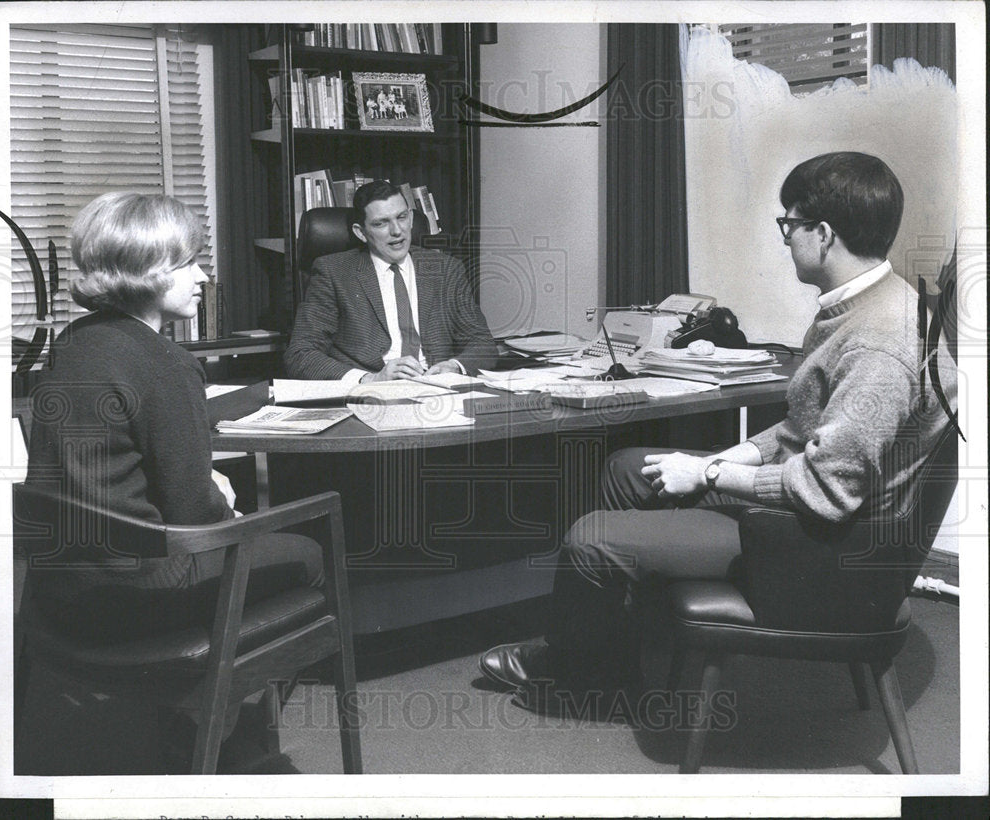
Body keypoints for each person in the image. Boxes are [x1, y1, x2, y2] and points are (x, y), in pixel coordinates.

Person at [478, 152, 958, 706]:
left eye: (790, 224)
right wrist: (738, 456)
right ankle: (606, 650)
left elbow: (827, 491)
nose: (784, 240)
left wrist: (709, 470)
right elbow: (809, 428)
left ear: (823, 234)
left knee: (590, 537)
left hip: (819, 547)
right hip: (813, 519)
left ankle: (582, 677)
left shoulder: (879, 342)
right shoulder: (873, 303)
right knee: (626, 469)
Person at [25, 192, 324, 641]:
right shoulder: (165, 361)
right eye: (188, 263)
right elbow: (196, 515)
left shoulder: (75, 341)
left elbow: (137, 424)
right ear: (149, 271)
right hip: (148, 588)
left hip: (64, 585)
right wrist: (223, 499)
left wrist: (245, 403)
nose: (203, 276)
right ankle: (224, 694)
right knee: (310, 551)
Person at [284, 179, 498, 382]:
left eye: (402, 217)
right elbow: (300, 354)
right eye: (381, 223)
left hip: (437, 392)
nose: (397, 231)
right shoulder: (334, 272)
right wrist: (370, 379)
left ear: (412, 219)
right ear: (361, 233)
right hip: (373, 395)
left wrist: (454, 366)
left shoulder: (446, 268)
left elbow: (482, 343)